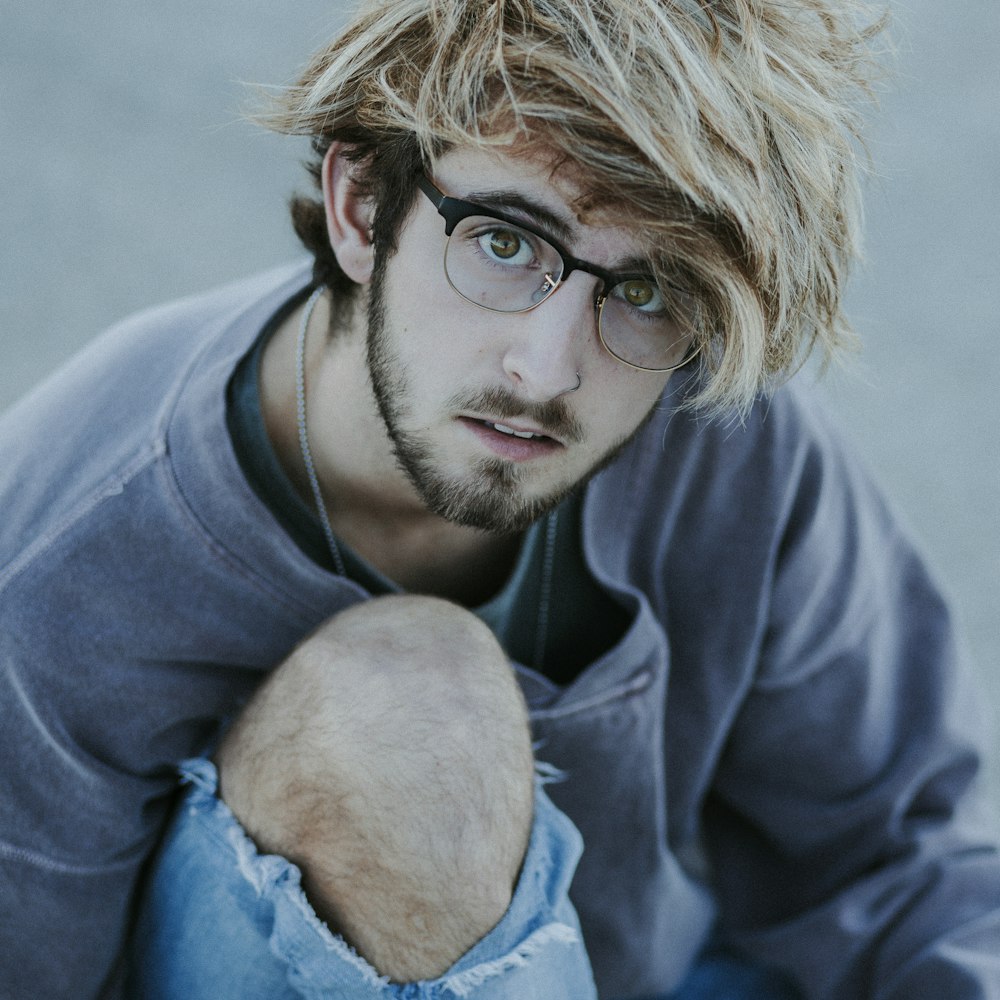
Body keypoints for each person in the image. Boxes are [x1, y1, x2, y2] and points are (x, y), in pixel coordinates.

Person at [1, 0, 998, 997]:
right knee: (408, 706)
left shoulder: (724, 438)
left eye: (644, 293)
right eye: (507, 243)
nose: (546, 368)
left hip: (649, 968)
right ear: (361, 207)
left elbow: (901, 863)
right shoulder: (69, 553)